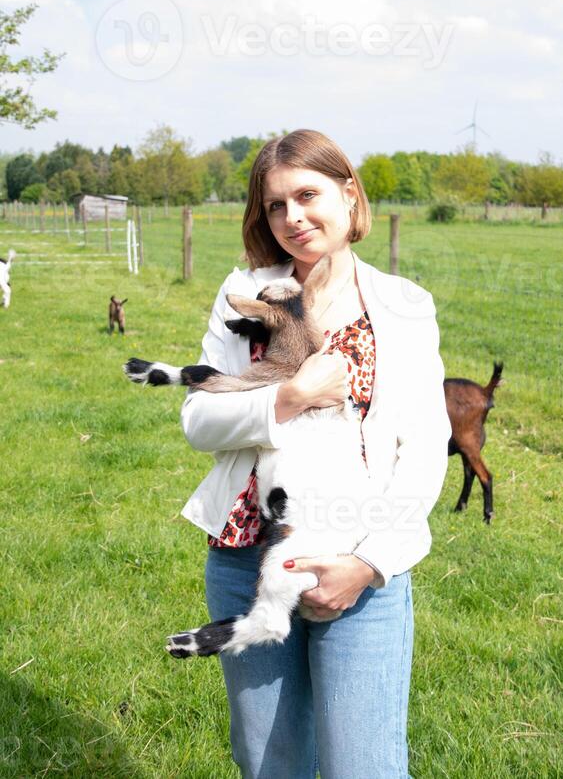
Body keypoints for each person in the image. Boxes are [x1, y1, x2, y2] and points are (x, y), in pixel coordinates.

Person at [180, 129, 451, 779]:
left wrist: (367, 563)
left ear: (348, 193)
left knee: (366, 768)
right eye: (275, 205)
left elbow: (425, 447)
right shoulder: (244, 293)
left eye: (307, 195)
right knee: (269, 764)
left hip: (356, 572)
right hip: (249, 566)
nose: (293, 217)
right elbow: (199, 416)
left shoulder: (403, 307)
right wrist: (290, 397)